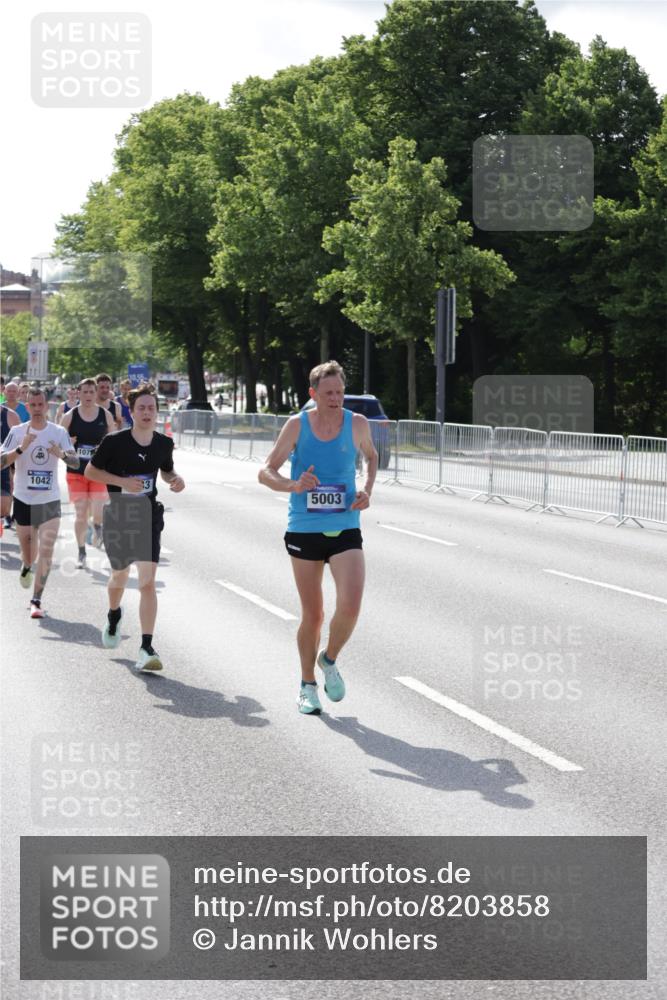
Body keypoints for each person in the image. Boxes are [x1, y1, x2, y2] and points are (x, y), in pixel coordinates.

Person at [258, 361, 377, 715]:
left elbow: (371, 456)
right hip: (305, 528)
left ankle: (329, 658)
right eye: (328, 393)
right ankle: (307, 684)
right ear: (313, 394)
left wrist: (367, 489)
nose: (336, 398)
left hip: (345, 524)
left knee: (351, 605)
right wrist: (293, 485)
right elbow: (265, 471)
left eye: (340, 392)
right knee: (314, 615)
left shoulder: (357, 423)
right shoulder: (297, 426)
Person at [85, 383, 185, 672]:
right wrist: (122, 482)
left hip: (148, 514)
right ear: (131, 411)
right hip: (119, 514)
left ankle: (146, 646)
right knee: (120, 575)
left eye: (151, 408)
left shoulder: (163, 443)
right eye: (141, 407)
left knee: (147, 583)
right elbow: (91, 471)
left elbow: (166, 469)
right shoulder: (114, 442)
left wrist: (175, 479)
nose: (146, 412)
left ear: (157, 411)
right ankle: (114, 615)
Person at [0, 387, 79, 617]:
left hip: (50, 499)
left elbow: (75, 462)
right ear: (27, 406)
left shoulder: (58, 432)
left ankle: (36, 600)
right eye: (32, 405)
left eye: (40, 405)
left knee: (46, 549)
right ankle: (26, 566)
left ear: (47, 406)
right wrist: (21, 449)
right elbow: (2, 462)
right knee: (29, 552)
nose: (36, 409)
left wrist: (62, 454)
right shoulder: (16, 431)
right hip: (24, 498)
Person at [60, 378, 115, 567]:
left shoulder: (105, 415)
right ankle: (81, 551)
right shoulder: (70, 416)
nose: (89, 395)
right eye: (85, 392)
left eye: (92, 392)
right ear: (79, 393)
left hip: (98, 472)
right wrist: (69, 444)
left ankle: (97, 526)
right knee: (81, 514)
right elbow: (59, 440)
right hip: (76, 472)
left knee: (98, 513)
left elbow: (114, 439)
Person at [0, 403, 20, 532]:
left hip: (3, 463)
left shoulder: (10, 415)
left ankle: (5, 517)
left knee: (4, 508)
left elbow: (20, 439)